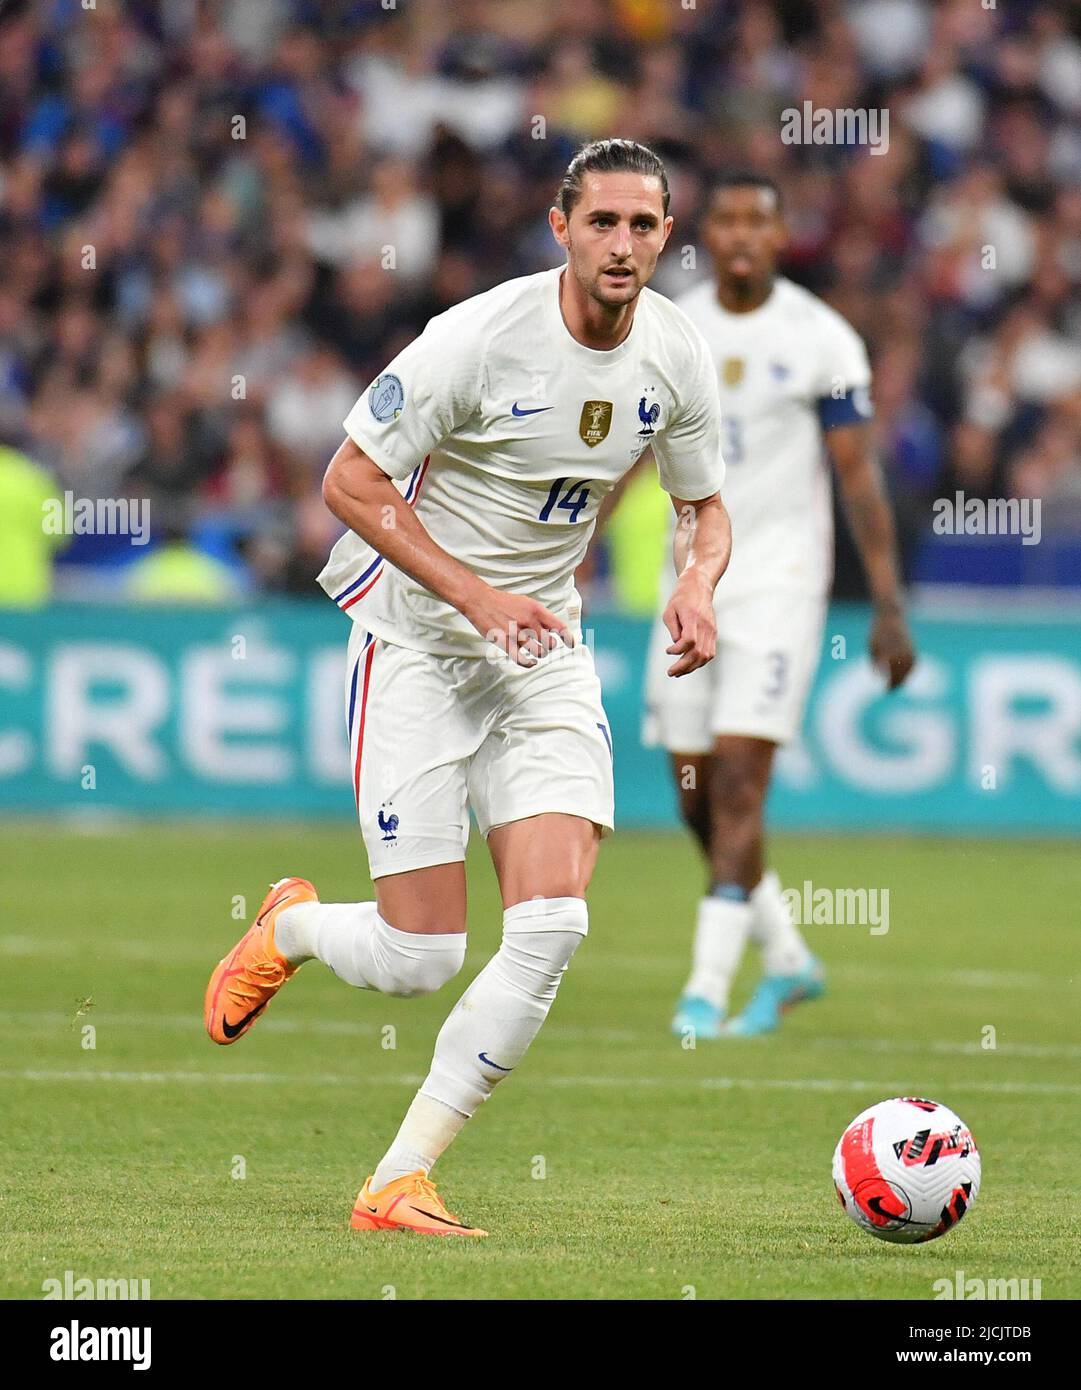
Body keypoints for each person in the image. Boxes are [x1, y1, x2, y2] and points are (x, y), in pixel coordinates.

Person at [203, 139, 731, 1236]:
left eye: (642, 225)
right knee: (420, 957)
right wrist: (477, 594)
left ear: (667, 236)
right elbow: (349, 481)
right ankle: (290, 929)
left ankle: (398, 1178)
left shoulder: (674, 356)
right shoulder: (477, 340)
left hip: (543, 653)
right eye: (602, 224)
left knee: (551, 923)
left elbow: (701, 503)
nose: (622, 244)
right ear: (560, 227)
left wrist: (697, 581)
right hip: (419, 649)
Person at [640, 173, 915, 1040]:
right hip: (686, 585)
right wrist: (569, 558)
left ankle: (703, 991)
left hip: (778, 586)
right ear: (705, 234)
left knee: (736, 783)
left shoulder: (819, 337)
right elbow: (624, 450)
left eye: (760, 219)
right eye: (727, 219)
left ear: (781, 233)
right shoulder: (672, 324)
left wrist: (886, 603)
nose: (743, 234)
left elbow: (857, 475)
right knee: (693, 795)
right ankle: (790, 961)